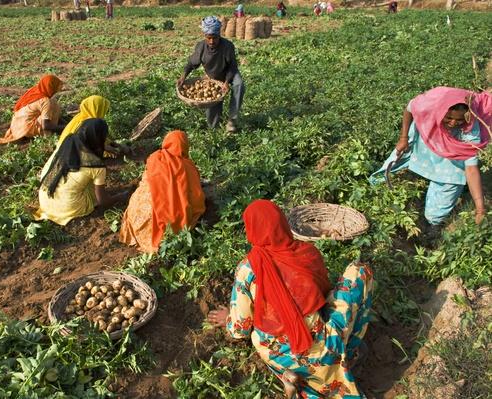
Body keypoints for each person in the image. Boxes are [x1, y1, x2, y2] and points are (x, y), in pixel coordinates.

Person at [208, 200, 374, 399]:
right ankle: (349, 349)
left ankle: (295, 379)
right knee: (360, 272)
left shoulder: (248, 270)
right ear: (283, 223)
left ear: (251, 230)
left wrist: (229, 317)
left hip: (281, 354)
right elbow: (324, 292)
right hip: (325, 343)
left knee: (260, 336)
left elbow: (239, 330)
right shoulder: (306, 251)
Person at [370, 87, 490, 231]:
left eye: (459, 120)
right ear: (440, 111)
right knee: (398, 157)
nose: (453, 123)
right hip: (427, 133)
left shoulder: (470, 128)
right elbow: (409, 109)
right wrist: (403, 138)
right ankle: (375, 188)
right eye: (449, 118)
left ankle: (433, 224)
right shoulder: (429, 105)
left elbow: (471, 168)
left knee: (448, 185)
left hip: (452, 155)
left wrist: (480, 208)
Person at [119, 131, 206, 253]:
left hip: (138, 214)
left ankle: (139, 235)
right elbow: (197, 197)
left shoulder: (155, 157)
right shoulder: (188, 166)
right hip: (167, 224)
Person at [34, 119, 125, 226]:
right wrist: (121, 196)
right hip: (69, 208)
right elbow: (103, 201)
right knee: (93, 191)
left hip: (45, 199)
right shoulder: (96, 165)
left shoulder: (69, 143)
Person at [177, 16, 245, 133]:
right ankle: (214, 129)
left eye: (215, 38)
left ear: (219, 35)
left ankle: (232, 120)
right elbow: (191, 63)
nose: (212, 41)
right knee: (213, 105)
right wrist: (183, 76)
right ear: (205, 36)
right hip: (214, 76)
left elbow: (233, 66)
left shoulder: (228, 46)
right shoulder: (201, 47)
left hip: (229, 73)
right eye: (209, 38)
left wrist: (227, 82)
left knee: (239, 85)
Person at [0, 75, 65, 145]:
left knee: (53, 105)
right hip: (25, 128)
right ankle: (46, 136)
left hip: (16, 126)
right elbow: (46, 125)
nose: (58, 90)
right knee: (53, 107)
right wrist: (65, 127)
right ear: (51, 87)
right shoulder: (45, 101)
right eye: (57, 87)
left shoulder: (36, 91)